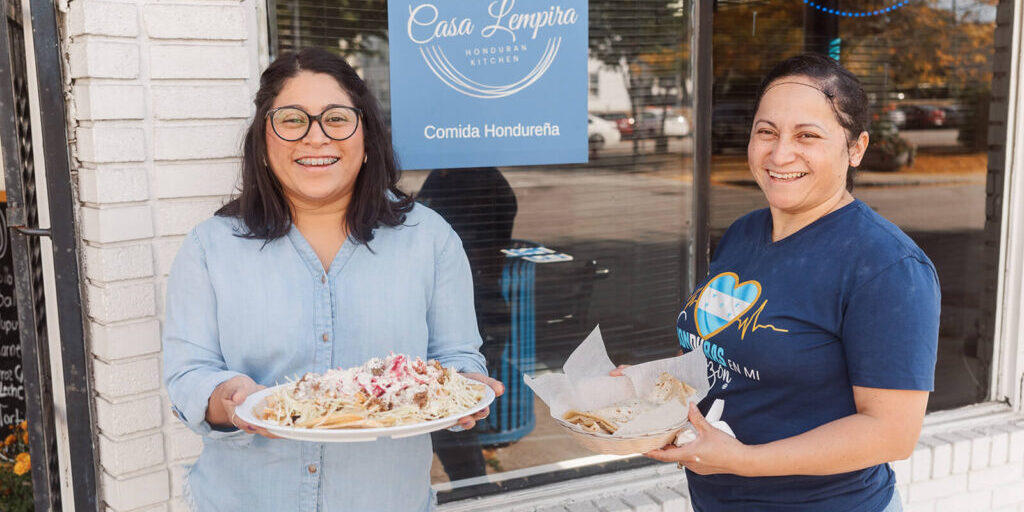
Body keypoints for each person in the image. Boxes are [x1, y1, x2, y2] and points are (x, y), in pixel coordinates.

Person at [162, 47, 503, 511]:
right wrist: (231, 399)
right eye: (292, 120)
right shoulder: (210, 246)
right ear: (264, 139)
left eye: (337, 119)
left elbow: (456, 355)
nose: (316, 138)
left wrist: (463, 390)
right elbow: (188, 374)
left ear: (367, 136)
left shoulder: (430, 239)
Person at [643, 54, 940, 511]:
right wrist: (643, 389)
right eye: (767, 132)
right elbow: (726, 355)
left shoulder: (886, 267)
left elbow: (891, 433)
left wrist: (742, 460)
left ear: (856, 148)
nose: (780, 154)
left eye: (807, 135)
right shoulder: (744, 232)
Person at [417, 167, 518, 480]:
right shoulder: (444, 178)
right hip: (473, 302)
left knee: (457, 416)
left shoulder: (483, 186)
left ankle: (474, 488)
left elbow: (488, 252)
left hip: (479, 306)